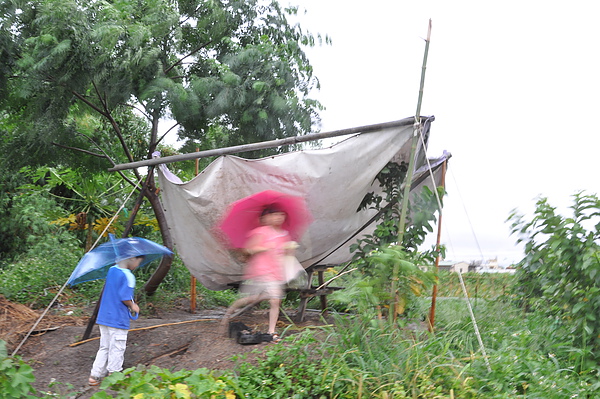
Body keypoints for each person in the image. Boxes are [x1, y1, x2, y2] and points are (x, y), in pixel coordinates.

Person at [221, 206, 295, 342]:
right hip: (261, 270)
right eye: (275, 215)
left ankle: (270, 329)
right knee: (273, 299)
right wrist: (263, 248)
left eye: (281, 214)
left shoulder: (284, 235)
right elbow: (248, 250)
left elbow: (284, 254)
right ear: (266, 218)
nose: (279, 217)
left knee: (268, 299)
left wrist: (289, 250)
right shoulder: (260, 232)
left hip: (276, 271)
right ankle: (271, 331)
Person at [88, 254, 144, 386]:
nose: (137, 265)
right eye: (138, 262)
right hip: (118, 318)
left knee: (104, 347)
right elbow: (125, 297)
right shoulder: (128, 276)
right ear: (132, 258)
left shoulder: (112, 270)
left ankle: (95, 375)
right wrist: (133, 305)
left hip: (105, 316)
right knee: (117, 347)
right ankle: (115, 374)